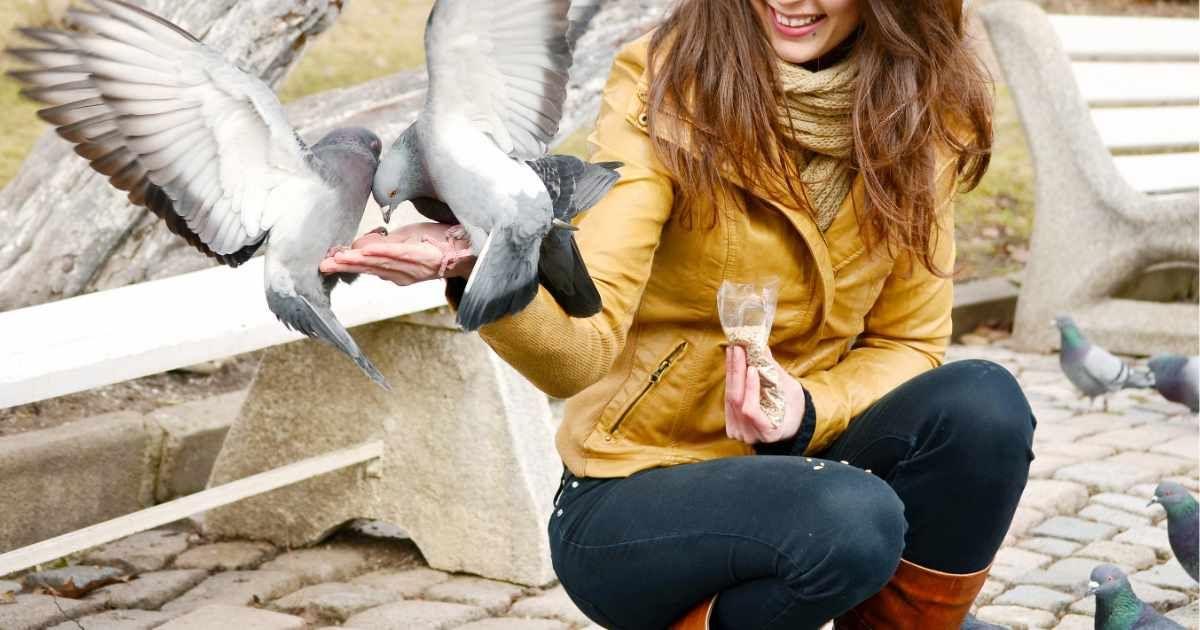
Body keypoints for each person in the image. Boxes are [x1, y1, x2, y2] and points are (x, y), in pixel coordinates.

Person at [319, 1, 1036, 628]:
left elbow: (907, 342)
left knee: (985, 408)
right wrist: (485, 270)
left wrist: (807, 410)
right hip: (635, 492)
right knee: (853, 519)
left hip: (803, 457)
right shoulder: (667, 87)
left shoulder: (922, 110)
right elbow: (581, 351)